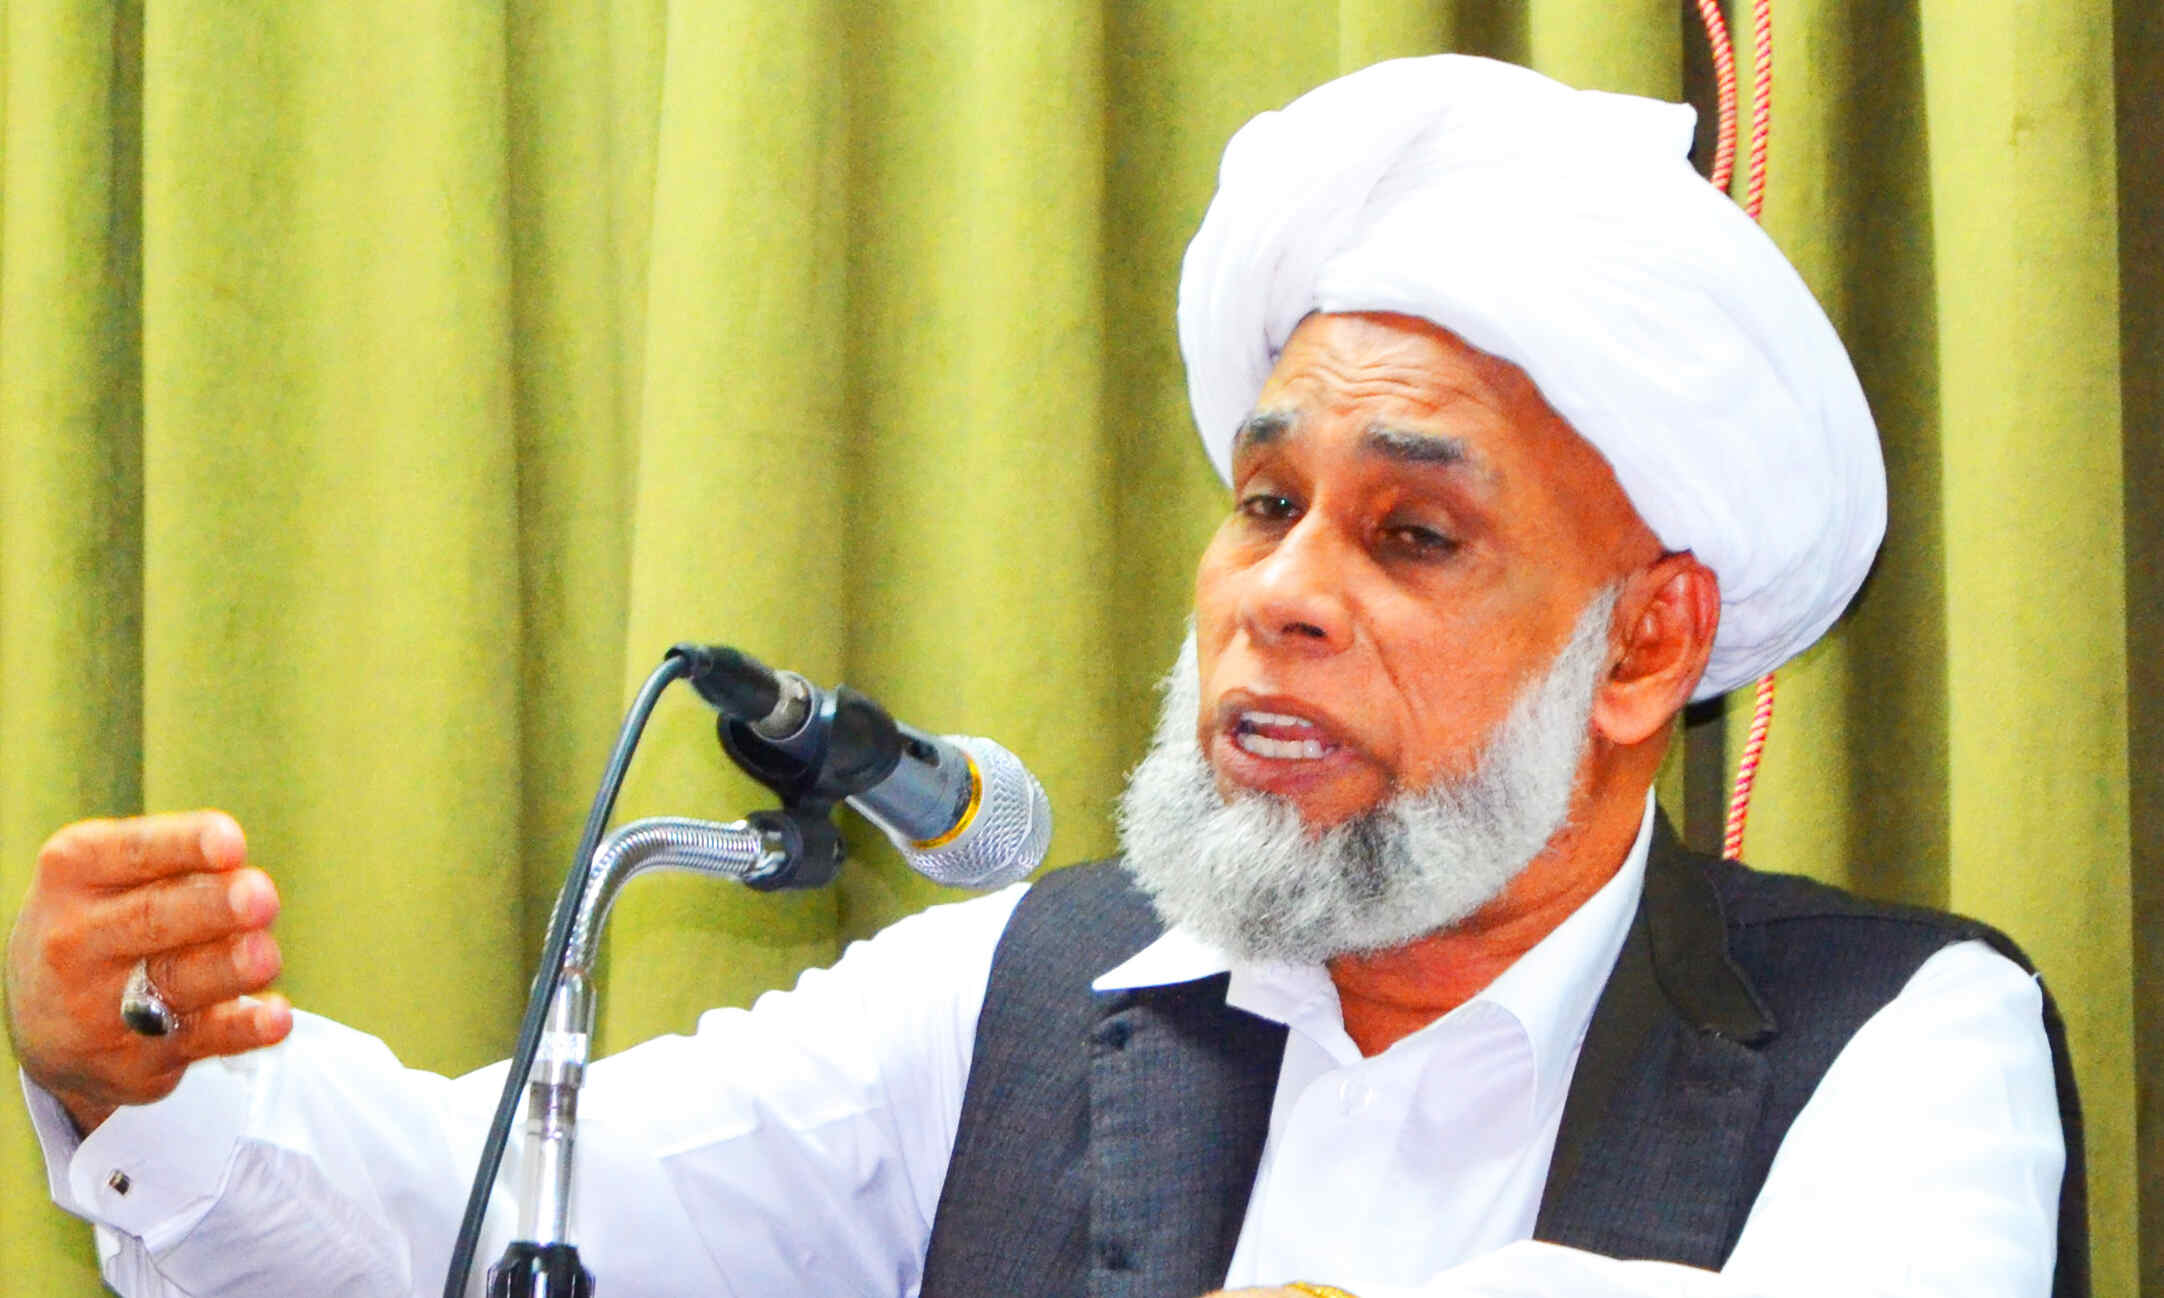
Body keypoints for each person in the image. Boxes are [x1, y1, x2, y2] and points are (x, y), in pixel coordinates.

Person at [6, 54, 2078, 1298]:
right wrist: (148, 1080)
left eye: (1410, 534)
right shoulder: (1026, 993)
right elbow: (499, 1214)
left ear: (1643, 645)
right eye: (1263, 502)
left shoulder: (1896, 1043)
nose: (1278, 595)